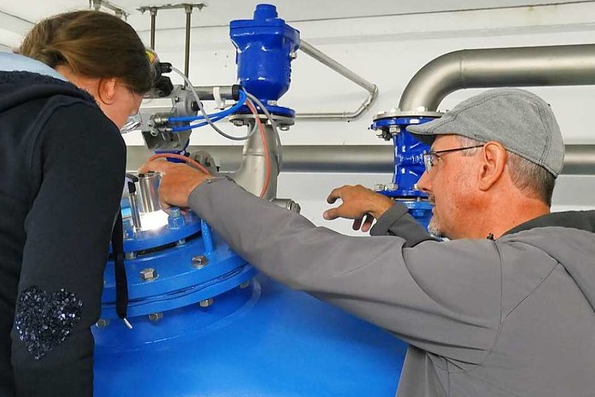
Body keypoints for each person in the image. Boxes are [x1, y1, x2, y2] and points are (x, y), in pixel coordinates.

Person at [141, 88, 595, 397]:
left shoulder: (495, 283)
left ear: (488, 165)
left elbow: (311, 257)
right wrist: (392, 218)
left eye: (436, 161)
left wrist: (201, 189)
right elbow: (465, 284)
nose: (422, 182)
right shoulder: (561, 259)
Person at [0, 10, 153, 396]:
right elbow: (46, 325)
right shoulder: (79, 129)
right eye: (128, 116)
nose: (119, 128)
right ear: (109, 87)